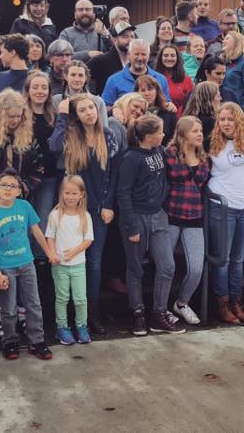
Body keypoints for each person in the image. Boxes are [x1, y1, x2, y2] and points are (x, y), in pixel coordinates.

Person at [49, 93, 118, 335]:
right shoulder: (70, 135)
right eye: (83, 110)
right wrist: (62, 116)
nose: (89, 112)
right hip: (72, 209)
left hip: (99, 210)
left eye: (92, 108)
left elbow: (113, 173)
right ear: (76, 117)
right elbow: (54, 146)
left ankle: (90, 313)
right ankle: (65, 316)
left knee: (94, 262)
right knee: (69, 259)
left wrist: (109, 204)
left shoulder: (107, 136)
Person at [115, 114, 183, 336]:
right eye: (160, 132)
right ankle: (138, 314)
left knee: (167, 265)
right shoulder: (131, 158)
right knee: (135, 268)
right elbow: (123, 193)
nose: (164, 135)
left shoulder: (160, 152)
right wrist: (131, 226)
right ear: (148, 136)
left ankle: (159, 313)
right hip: (136, 217)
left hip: (158, 216)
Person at [0, 168, 58, 360]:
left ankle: (37, 341)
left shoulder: (25, 207)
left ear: (19, 190)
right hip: (6, 267)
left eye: (13, 186)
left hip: (27, 263)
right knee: (8, 308)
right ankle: (10, 341)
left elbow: (37, 232)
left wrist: (49, 252)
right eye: (4, 185)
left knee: (33, 303)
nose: (8, 189)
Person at [208, 102, 244, 326]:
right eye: (222, 119)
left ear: (239, 120)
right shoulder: (212, 144)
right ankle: (223, 303)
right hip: (223, 208)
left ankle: (237, 301)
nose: (226, 123)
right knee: (223, 259)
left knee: (238, 259)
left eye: (230, 119)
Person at [164, 116, 209, 325]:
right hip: (171, 215)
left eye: (201, 130)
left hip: (195, 216)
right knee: (166, 266)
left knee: (196, 268)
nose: (200, 134)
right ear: (183, 134)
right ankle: (160, 308)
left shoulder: (203, 156)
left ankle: (181, 303)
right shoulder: (169, 154)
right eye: (195, 131)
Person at [46, 175, 94, 345]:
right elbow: (50, 237)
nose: (70, 197)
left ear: (82, 194)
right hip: (60, 266)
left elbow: (88, 239)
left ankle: (81, 326)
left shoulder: (85, 216)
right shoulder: (55, 215)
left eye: (74, 193)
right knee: (62, 298)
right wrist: (52, 253)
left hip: (78, 265)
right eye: (67, 193)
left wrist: (74, 252)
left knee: (80, 298)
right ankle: (62, 328)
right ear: (61, 193)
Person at [0, 90, 43, 205]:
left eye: (18, 116)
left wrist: (21, 190)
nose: (15, 120)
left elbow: (38, 170)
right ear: (1, 114)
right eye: (10, 116)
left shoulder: (29, 138)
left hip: (20, 201)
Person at [23, 70, 60, 245]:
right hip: (26, 177)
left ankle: (41, 262)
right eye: (35, 87)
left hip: (49, 177)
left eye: (44, 87)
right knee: (25, 222)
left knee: (43, 222)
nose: (40, 91)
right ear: (28, 90)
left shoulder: (54, 114)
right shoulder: (21, 115)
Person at [101, 39, 171, 107]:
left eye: (143, 54)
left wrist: (170, 106)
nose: (140, 58)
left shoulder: (160, 79)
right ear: (129, 55)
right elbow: (105, 107)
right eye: (136, 54)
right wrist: (115, 110)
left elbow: (166, 104)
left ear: (149, 56)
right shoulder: (114, 80)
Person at [52, 60, 108, 125]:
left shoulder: (97, 101)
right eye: (73, 75)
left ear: (86, 78)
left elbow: (104, 130)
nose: (77, 79)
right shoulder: (56, 100)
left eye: (80, 75)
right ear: (66, 76)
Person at [88, 21, 135, 96]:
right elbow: (82, 74)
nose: (130, 40)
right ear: (115, 39)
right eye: (125, 37)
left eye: (132, 36)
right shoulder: (101, 60)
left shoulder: (136, 61)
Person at [220, 31, 244, 124]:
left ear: (237, 43)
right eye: (223, 39)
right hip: (224, 112)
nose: (223, 41)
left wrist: (242, 116)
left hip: (239, 113)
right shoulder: (224, 63)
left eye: (227, 38)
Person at [135, 74, 177, 145]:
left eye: (150, 89)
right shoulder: (134, 113)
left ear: (157, 91)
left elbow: (174, 139)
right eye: (142, 90)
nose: (147, 93)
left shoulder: (168, 112)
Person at [155, 44, 194, 117]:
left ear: (177, 58)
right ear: (160, 58)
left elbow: (191, 103)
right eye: (166, 55)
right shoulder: (154, 78)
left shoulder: (186, 80)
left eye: (173, 55)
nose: (169, 58)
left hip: (181, 119)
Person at [182, 81, 221, 151]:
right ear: (209, 99)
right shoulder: (209, 122)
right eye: (218, 96)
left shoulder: (188, 118)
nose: (220, 99)